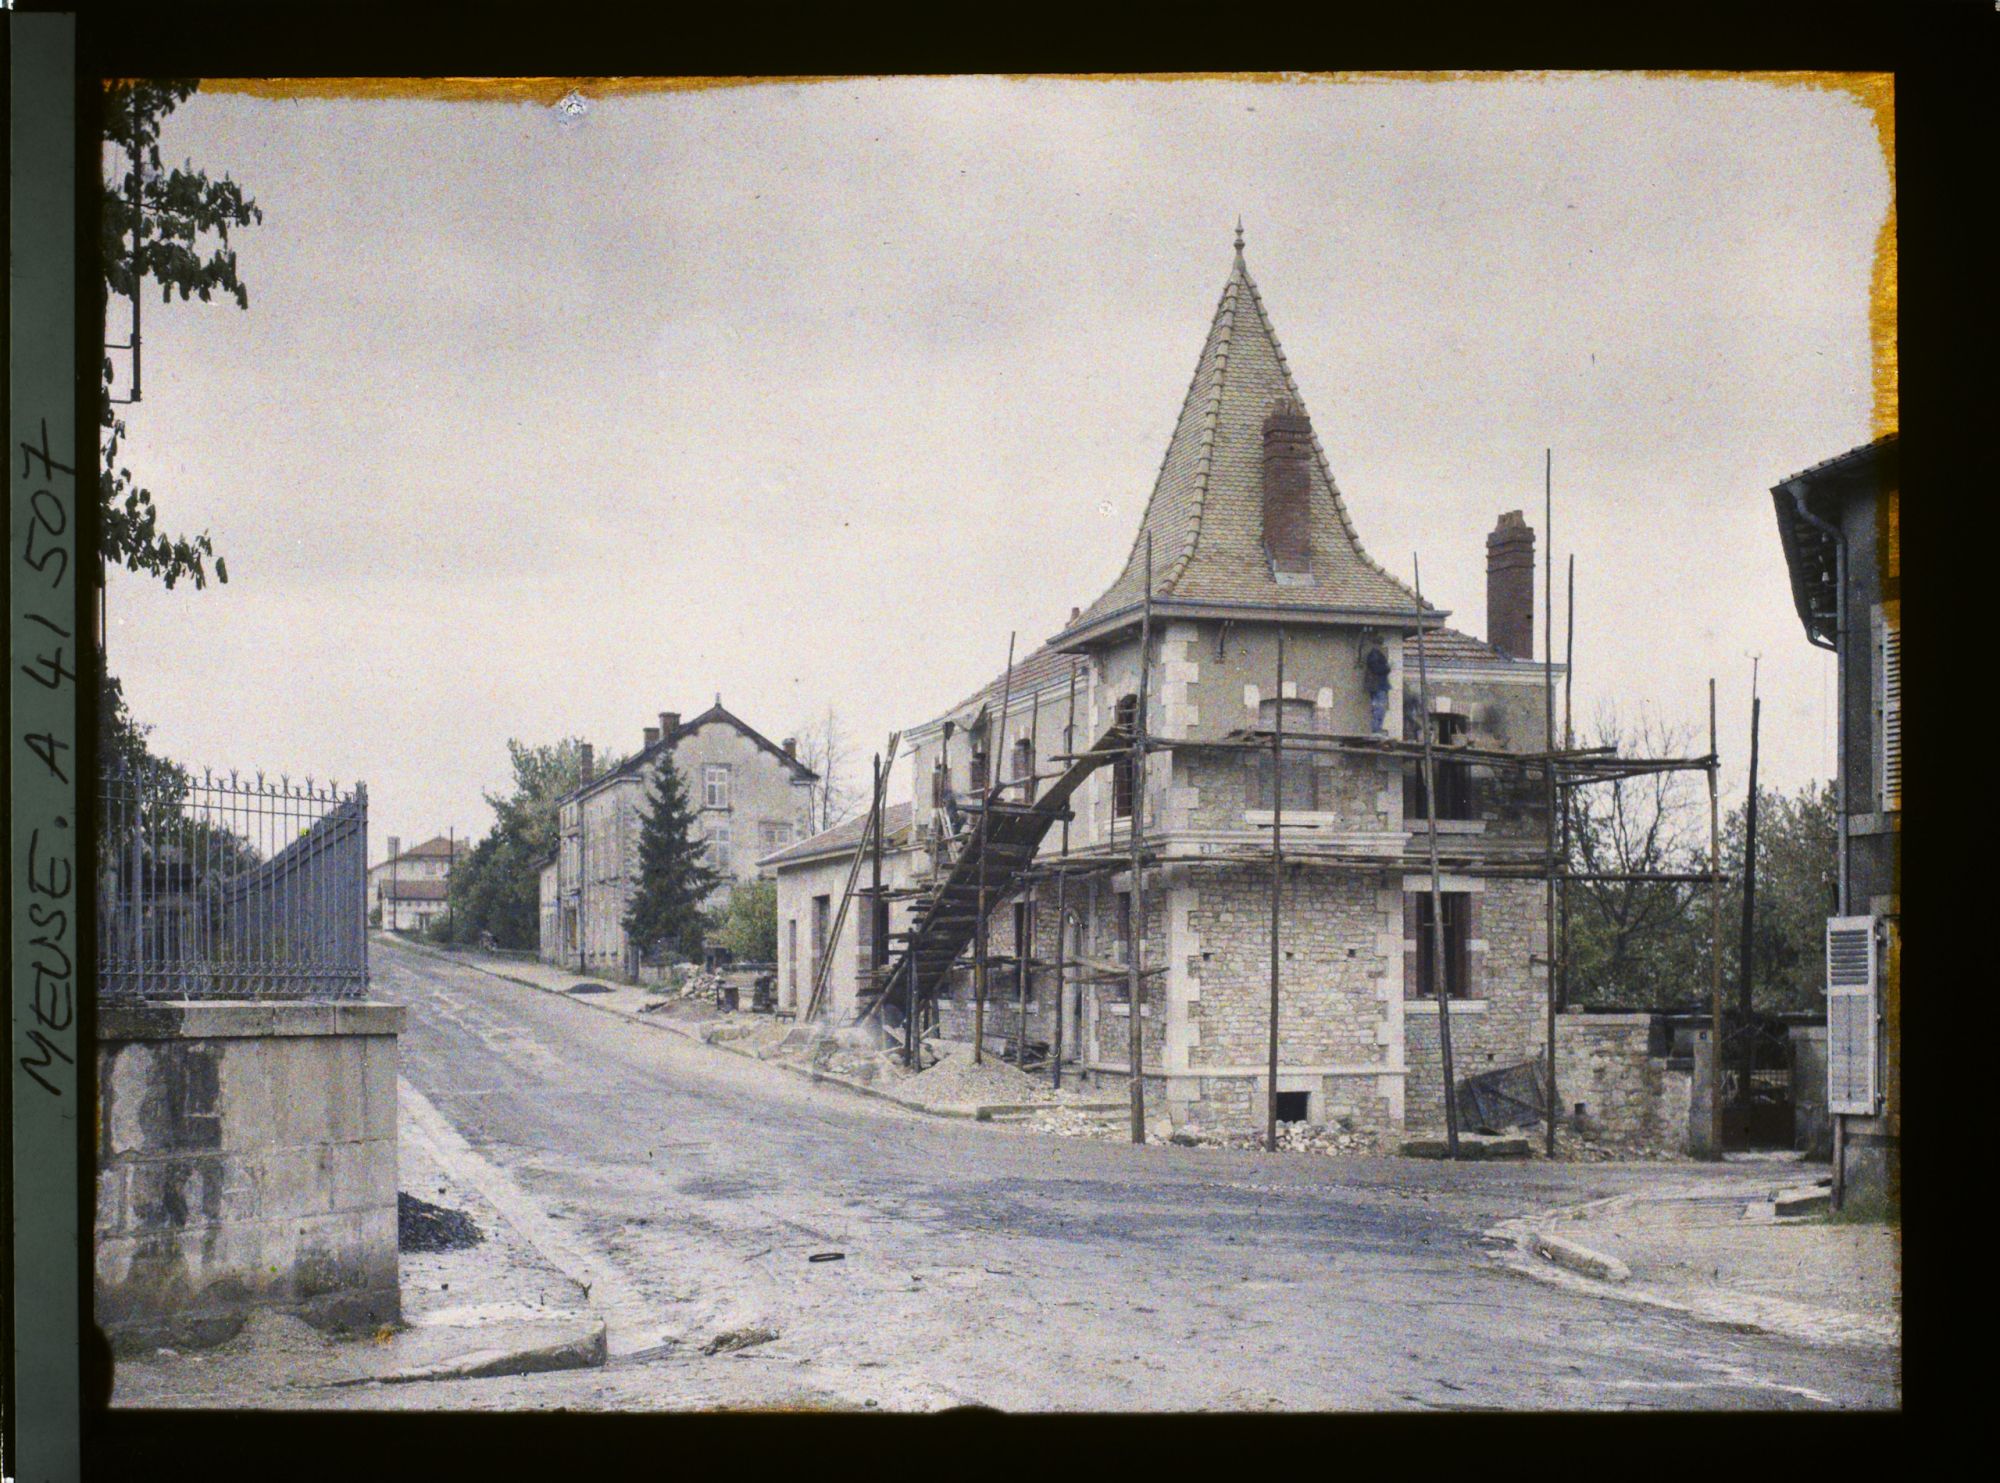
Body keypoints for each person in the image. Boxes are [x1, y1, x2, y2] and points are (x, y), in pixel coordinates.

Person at [1362, 641, 1392, 734]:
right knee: (1379, 708)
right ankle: (1376, 729)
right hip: (1378, 686)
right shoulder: (1374, 654)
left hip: (1377, 686)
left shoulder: (1374, 654)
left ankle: (1377, 729)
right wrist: (1387, 668)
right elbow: (1376, 669)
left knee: (1378, 708)